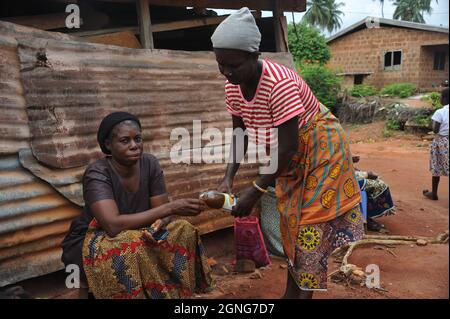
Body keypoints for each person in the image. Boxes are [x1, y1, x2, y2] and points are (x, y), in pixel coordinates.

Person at [211, 8, 364, 299]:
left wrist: (254, 191)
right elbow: (239, 134)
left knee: (309, 226)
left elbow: (289, 145)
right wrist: (226, 179)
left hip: (322, 150)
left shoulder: (278, 83)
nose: (227, 73)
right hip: (287, 155)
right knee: (291, 222)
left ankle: (300, 296)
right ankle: (291, 294)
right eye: (221, 64)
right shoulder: (233, 86)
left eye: (233, 64)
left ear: (254, 55)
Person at [61, 112, 212, 299]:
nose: (134, 146)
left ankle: (175, 292)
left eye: (137, 139)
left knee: (184, 229)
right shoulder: (98, 173)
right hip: (93, 238)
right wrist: (171, 208)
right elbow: (112, 225)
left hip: (139, 230)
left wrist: (159, 224)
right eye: (125, 141)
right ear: (108, 145)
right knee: (132, 244)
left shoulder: (149, 163)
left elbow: (162, 214)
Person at [353, 157, 396, 232]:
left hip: (337, 179)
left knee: (369, 181)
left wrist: (350, 159)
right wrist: (366, 174)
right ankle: (366, 217)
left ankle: (365, 216)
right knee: (380, 185)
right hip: (341, 181)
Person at [423, 88, 449, 200]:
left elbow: (435, 130)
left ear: (444, 98)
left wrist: (432, 123)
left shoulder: (440, 112)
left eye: (440, 96)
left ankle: (434, 193)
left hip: (441, 142)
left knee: (436, 166)